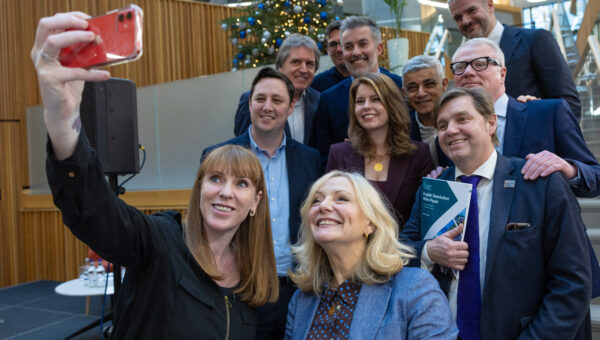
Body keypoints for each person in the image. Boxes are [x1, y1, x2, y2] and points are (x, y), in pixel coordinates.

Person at [32, 12, 279, 339]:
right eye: (215, 178)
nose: (226, 192)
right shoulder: (162, 241)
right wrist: (62, 123)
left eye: (242, 183)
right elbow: (96, 213)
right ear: (200, 188)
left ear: (255, 201)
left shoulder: (252, 277)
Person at [400, 87, 591, 339]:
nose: (451, 130)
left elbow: (572, 282)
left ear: (491, 123)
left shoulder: (538, 183)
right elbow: (398, 250)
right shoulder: (434, 190)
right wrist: (428, 251)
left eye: (462, 119)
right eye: (442, 125)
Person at [203, 67, 321, 340]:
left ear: (291, 107)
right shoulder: (218, 157)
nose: (267, 107)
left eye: (277, 100)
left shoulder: (310, 158)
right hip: (241, 286)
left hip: (298, 288)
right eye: (260, 99)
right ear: (250, 103)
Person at [285, 171, 458, 339]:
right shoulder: (301, 301)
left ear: (371, 224)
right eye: (316, 200)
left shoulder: (414, 288)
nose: (323, 206)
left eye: (342, 198)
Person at [450, 38, 600, 198]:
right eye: (459, 67)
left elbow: (595, 178)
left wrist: (567, 168)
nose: (467, 72)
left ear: (502, 74)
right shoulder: (449, 135)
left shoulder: (548, 114)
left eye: (480, 64)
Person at [326, 73, 434, 226]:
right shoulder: (338, 153)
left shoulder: (419, 154)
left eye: (375, 99)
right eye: (360, 101)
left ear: (392, 104)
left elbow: (425, 217)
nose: (366, 106)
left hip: (403, 247)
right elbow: (331, 212)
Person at [448, 0, 581, 120]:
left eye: (471, 10)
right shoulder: (461, 64)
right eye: (458, 18)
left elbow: (568, 103)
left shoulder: (535, 40)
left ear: (490, 5)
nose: (466, 21)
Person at [311, 16, 403, 160]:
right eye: (348, 47)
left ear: (379, 48)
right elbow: (323, 158)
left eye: (363, 44)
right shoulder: (329, 100)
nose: (355, 52)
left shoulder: (400, 87)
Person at [234, 34, 321, 144]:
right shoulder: (254, 101)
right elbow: (243, 146)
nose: (304, 69)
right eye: (296, 62)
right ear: (280, 66)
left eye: (309, 64)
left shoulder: (319, 101)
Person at [401, 55, 451, 167]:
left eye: (429, 84)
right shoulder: (400, 134)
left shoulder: (462, 124)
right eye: (412, 87)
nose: (421, 93)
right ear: (404, 93)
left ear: (444, 84)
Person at [310, 20, 350, 92]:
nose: (338, 49)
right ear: (327, 49)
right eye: (333, 44)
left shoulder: (370, 78)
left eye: (343, 43)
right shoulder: (316, 84)